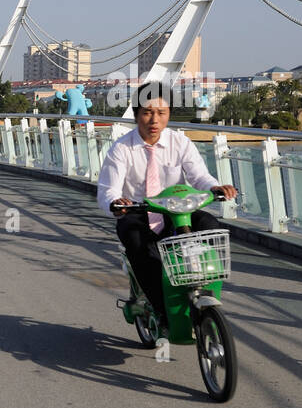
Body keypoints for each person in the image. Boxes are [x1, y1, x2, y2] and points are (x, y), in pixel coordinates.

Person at [97, 81, 237, 318]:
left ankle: (202, 283)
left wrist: (214, 187)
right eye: (147, 113)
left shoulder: (179, 143)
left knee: (209, 226)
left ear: (169, 114)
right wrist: (116, 203)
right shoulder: (121, 149)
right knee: (137, 244)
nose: (154, 120)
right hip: (138, 212)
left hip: (176, 209)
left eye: (161, 113)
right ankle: (162, 311)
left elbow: (199, 176)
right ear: (136, 114)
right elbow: (108, 189)